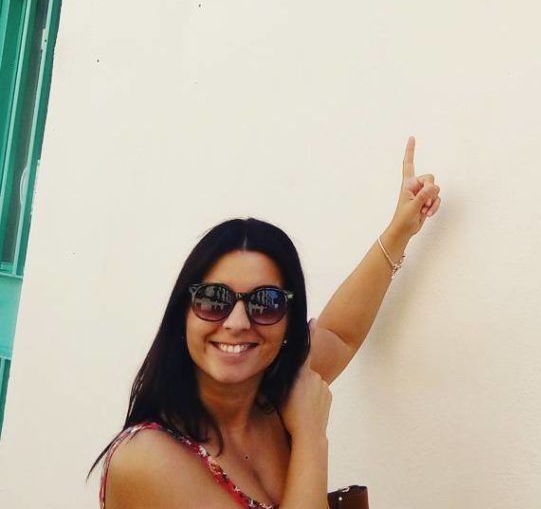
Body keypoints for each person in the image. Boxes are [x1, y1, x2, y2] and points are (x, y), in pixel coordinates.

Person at [95, 137, 440, 509]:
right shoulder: (148, 458)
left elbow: (339, 334)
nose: (237, 322)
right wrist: (310, 437)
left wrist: (401, 229)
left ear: (287, 323)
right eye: (215, 299)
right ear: (184, 312)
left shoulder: (272, 396)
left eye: (266, 303)